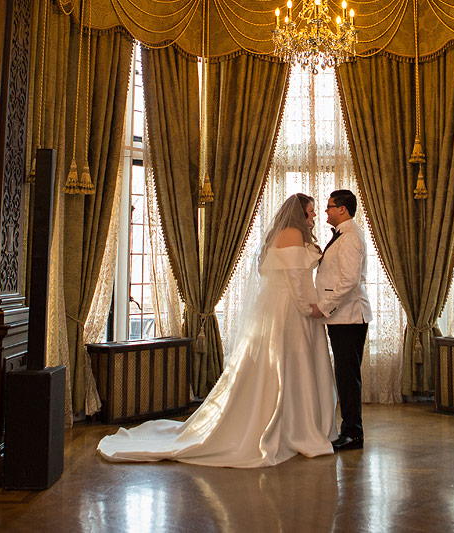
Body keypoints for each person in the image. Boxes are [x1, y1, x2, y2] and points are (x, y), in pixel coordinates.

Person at [97, 193, 338, 467]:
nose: (314, 216)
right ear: (298, 214)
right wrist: (311, 310)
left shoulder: (280, 234)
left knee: (275, 370)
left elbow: (273, 273)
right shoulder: (293, 233)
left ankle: (278, 420)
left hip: (277, 309)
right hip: (290, 311)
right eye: (310, 211)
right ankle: (296, 428)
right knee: (290, 367)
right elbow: (296, 282)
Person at [309, 189, 372, 451]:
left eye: (330, 206)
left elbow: (349, 282)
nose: (326, 211)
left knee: (347, 376)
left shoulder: (350, 238)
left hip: (349, 317)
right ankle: (350, 429)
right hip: (343, 317)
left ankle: (353, 433)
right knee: (345, 374)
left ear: (342, 210)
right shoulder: (342, 236)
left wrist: (323, 307)